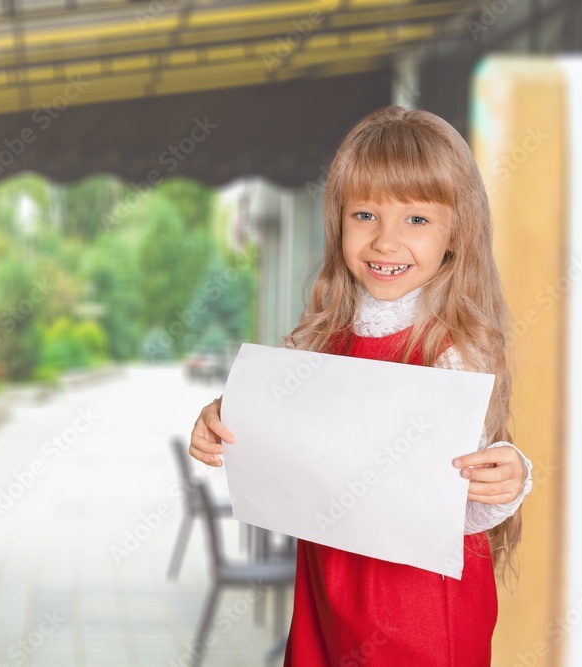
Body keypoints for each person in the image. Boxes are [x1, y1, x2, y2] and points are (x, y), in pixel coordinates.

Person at [188, 105, 534, 665]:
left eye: (416, 220)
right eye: (365, 215)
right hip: (329, 585)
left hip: (418, 603)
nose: (385, 241)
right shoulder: (317, 341)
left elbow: (455, 503)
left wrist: (506, 477)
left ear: (456, 232)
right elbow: (279, 437)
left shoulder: (454, 351)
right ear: (338, 222)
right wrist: (221, 419)